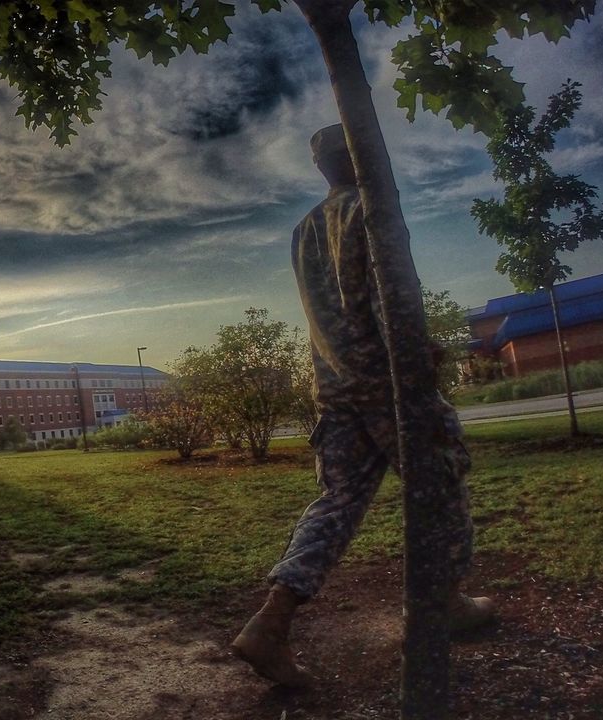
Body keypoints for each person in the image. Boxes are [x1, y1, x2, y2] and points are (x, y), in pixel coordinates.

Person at [230, 124, 495, 688]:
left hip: (334, 389)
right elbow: (385, 297)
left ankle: (269, 624)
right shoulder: (370, 213)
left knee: (337, 504)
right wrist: (420, 356)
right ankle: (440, 605)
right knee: (443, 483)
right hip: (390, 387)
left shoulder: (302, 231)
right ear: (359, 158)